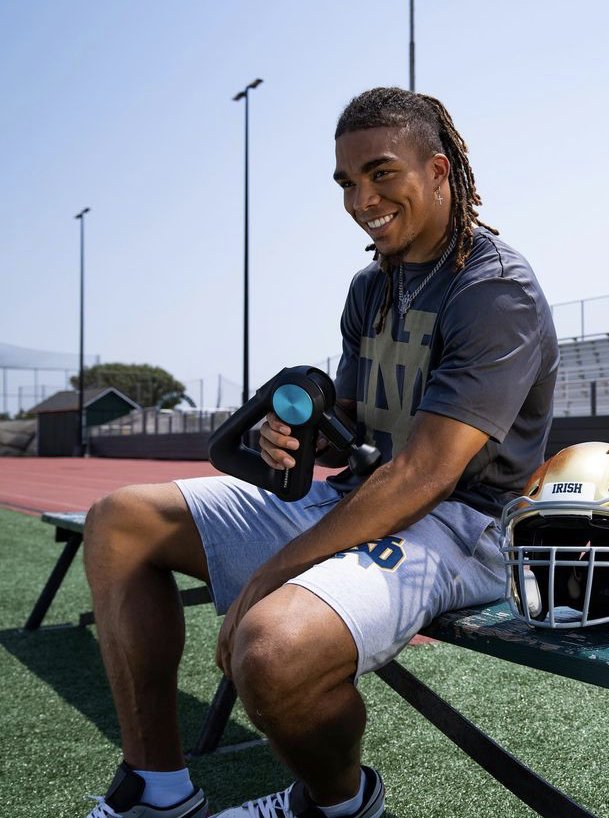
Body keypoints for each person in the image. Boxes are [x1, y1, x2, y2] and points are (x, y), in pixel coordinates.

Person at [82, 86, 559, 818]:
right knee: (120, 520)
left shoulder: (496, 292)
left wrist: (266, 580)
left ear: (438, 172)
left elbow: (428, 473)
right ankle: (157, 789)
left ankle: (336, 804)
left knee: (270, 650)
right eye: (346, 183)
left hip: (463, 524)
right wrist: (290, 432)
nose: (361, 199)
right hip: (363, 495)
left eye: (381, 174)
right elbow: (352, 422)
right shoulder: (373, 285)